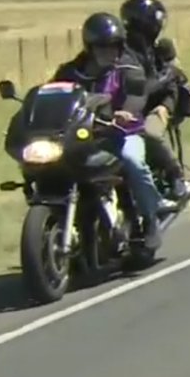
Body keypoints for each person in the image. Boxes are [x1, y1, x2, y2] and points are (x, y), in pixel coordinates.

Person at [52, 13, 175, 250]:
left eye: (113, 47)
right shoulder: (70, 71)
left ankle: (150, 220)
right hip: (87, 135)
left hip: (124, 132)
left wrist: (125, 111)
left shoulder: (128, 67)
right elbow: (56, 92)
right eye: (102, 48)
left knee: (133, 161)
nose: (109, 52)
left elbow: (137, 95)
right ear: (90, 47)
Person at [120, 0, 189, 202]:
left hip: (157, 103)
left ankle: (174, 174)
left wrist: (165, 105)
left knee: (149, 132)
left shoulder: (160, 50)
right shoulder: (121, 49)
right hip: (127, 105)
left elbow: (174, 81)